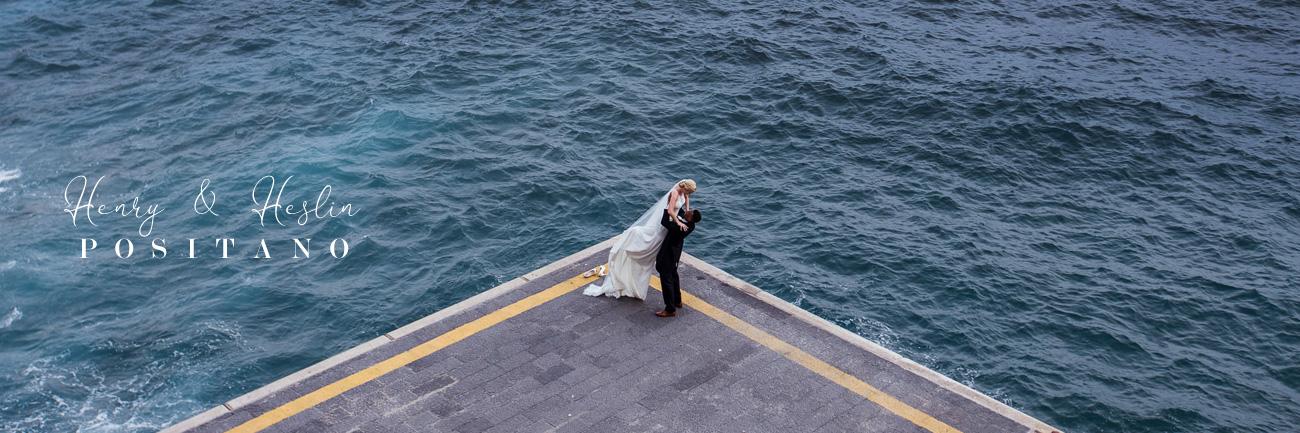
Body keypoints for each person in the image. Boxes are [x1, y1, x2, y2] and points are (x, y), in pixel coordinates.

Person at [582, 179, 696, 299]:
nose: (688, 194)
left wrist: (687, 210)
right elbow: (669, 211)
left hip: (670, 224)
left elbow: (687, 198)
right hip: (669, 220)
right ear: (685, 187)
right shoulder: (675, 192)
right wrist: (678, 222)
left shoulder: (684, 191)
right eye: (688, 191)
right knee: (648, 242)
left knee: (658, 251)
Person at [655, 207, 701, 317]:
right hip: (675, 254)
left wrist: (668, 209)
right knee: (674, 276)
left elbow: (665, 222)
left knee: (666, 280)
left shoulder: (682, 228)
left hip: (669, 255)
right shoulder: (690, 224)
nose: (687, 211)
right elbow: (680, 212)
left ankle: (670, 309)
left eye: (689, 212)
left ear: (690, 218)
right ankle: (677, 300)